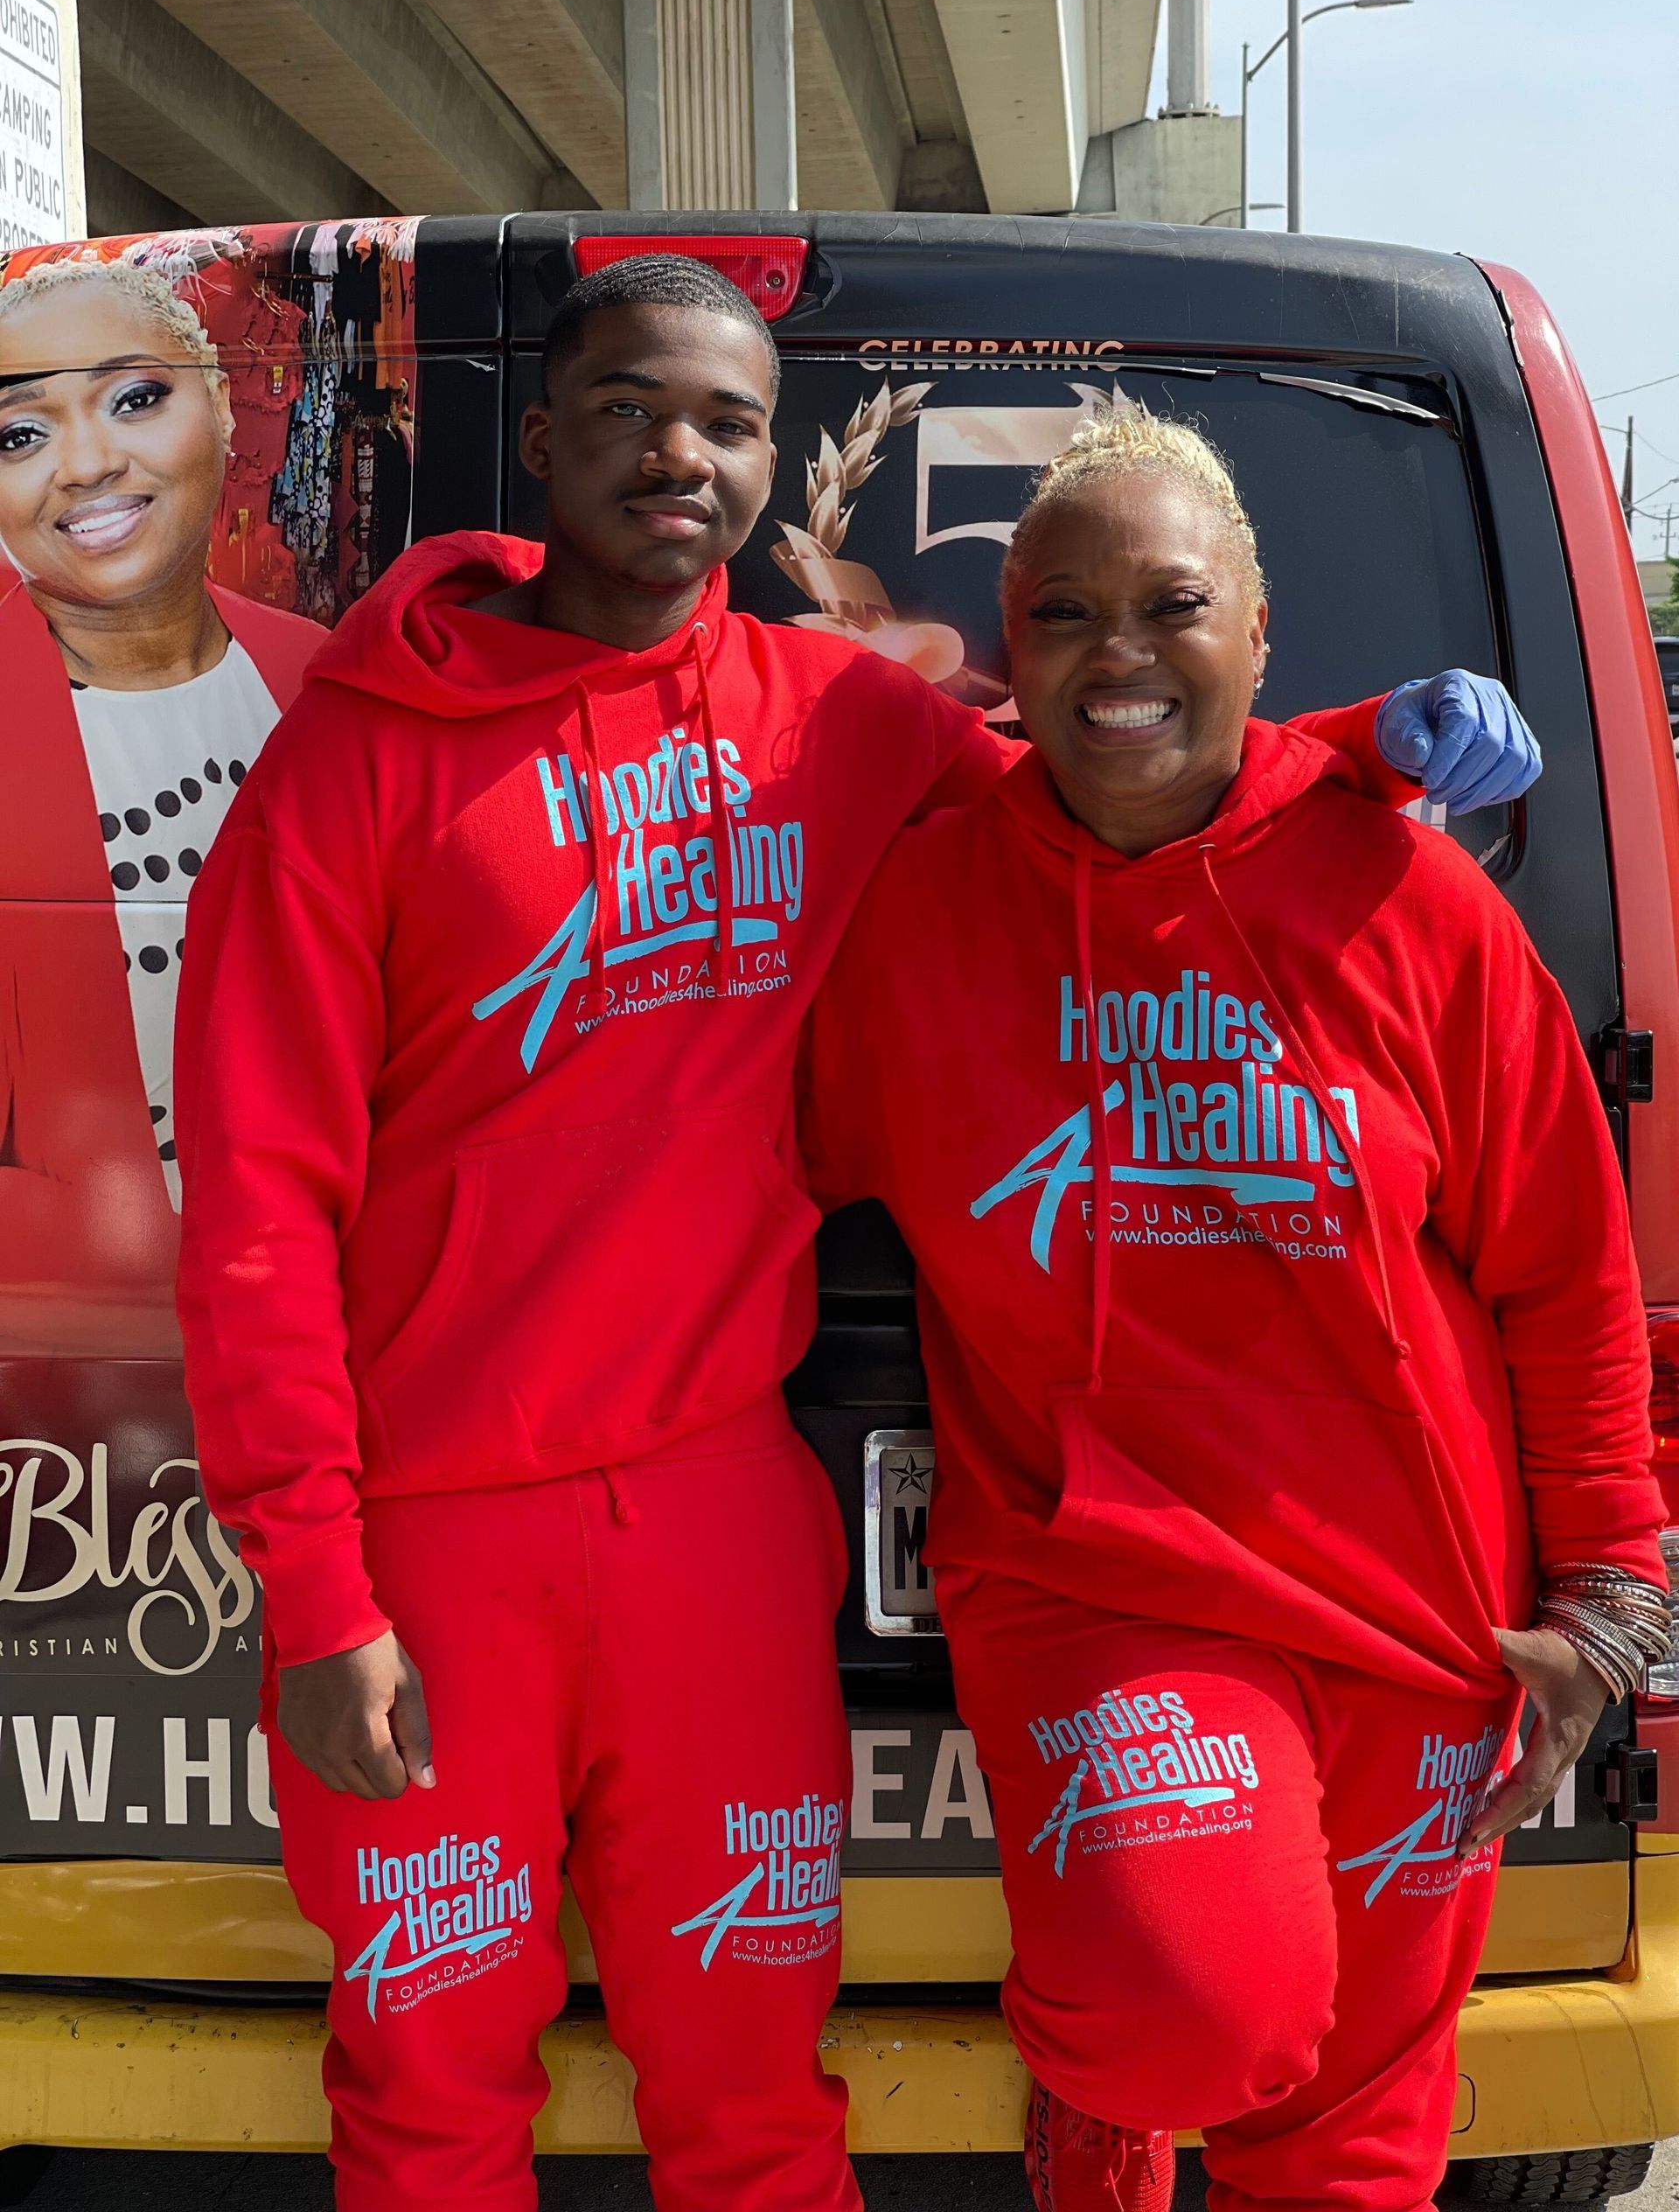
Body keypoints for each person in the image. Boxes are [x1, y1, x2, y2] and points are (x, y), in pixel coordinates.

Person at [173, 257, 1542, 2212]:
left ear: (766, 467)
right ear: (542, 441)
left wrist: (1355, 747)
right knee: (427, 2086)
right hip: (435, 1523)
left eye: (731, 422)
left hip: (723, 1514)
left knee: (751, 2090)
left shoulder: (836, 719)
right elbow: (254, 1203)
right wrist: (314, 1586)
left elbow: (1120, 773)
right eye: (636, 409)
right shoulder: (354, 765)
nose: (683, 455)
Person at [798, 408, 1669, 2212]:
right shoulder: (919, 915)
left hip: (1422, 1606)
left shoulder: (1411, 896)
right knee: (1192, 2000)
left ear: (1261, 636)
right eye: (1064, 614)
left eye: (1172, 604)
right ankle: (1101, 2116)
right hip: (1102, 1574)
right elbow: (698, 1125)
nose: (1119, 653)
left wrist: (1615, 1589)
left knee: (1357, 2130)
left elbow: (1564, 1264)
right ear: (1007, 651)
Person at [0, 255, 323, 1353]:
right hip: (70, 1381)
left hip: (325, 1329)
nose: (88, 465)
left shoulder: (321, 683)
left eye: (135, 399)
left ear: (225, 406)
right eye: (20, 435)